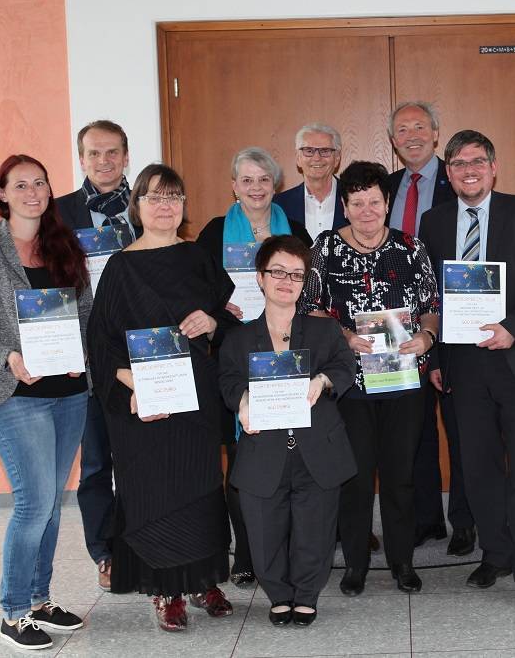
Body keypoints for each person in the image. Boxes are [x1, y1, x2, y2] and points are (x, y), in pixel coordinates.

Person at [0, 155, 90, 650]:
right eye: (21, 184)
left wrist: (80, 356)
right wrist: (6, 355)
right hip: (11, 395)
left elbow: (84, 315)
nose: (33, 192)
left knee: (51, 506)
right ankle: (12, 611)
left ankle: (39, 599)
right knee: (33, 504)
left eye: (41, 183)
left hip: (68, 394)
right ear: (2, 193)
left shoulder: (64, 245)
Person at [88, 163, 239, 631]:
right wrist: (134, 386)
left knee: (200, 489)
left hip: (196, 398)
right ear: (137, 205)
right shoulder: (120, 266)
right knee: (152, 492)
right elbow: (100, 343)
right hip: (142, 403)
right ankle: (164, 590)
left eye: (173, 196)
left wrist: (212, 323)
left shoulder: (198, 258)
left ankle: (202, 580)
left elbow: (228, 318)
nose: (164, 206)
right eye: (154, 197)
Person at [418, 130, 515, 608]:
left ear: (494, 166)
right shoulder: (433, 222)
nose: (468, 170)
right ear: (449, 172)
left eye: (477, 161)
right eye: (457, 163)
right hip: (462, 365)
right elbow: (429, 298)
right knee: (476, 467)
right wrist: (435, 358)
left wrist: (512, 328)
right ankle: (495, 553)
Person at [300, 161, 439, 597]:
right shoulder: (325, 247)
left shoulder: (411, 248)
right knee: (355, 477)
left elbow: (430, 302)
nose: (365, 211)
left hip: (402, 379)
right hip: (348, 384)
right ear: (344, 205)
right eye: (356, 203)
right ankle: (355, 565)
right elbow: (309, 306)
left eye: (373, 202)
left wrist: (426, 335)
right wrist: (342, 335)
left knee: (400, 475)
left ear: (386, 203)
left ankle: (402, 563)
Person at [219, 235, 357, 628]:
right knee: (265, 529)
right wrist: (243, 401)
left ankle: (307, 594)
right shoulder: (239, 337)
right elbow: (228, 380)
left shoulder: (324, 331)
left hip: (318, 446)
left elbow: (345, 367)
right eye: (277, 272)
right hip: (264, 447)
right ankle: (278, 594)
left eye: (296, 274)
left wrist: (324, 381)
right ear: (260, 278)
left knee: (315, 527)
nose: (286, 280)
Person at [195, 147, 311, 587]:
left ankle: (289, 551)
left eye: (264, 179)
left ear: (275, 185)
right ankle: (246, 552)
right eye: (246, 180)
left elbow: (309, 287)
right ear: (234, 185)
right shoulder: (213, 233)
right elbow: (200, 292)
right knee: (242, 463)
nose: (256, 187)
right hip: (233, 354)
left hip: (286, 354)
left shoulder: (294, 231)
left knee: (291, 459)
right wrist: (216, 309)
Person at [385, 101, 474, 556]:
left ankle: (463, 520)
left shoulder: (458, 182)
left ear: (436, 134)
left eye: (420, 126)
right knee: (411, 431)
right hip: (393, 330)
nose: (412, 134)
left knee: (461, 430)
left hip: (452, 325)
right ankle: (425, 520)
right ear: (393, 141)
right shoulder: (384, 187)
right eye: (402, 129)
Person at [57, 119, 137, 591]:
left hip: (140, 352)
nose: (103, 162)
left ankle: (142, 544)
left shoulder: (145, 204)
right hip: (84, 355)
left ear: (127, 156)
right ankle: (104, 552)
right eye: (93, 154)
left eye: (112, 153)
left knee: (141, 456)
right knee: (95, 465)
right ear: (81, 158)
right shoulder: (59, 211)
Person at [273, 123, 348, 240]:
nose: (317, 158)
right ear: (298, 158)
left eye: (325, 151)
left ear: (337, 158)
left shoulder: (354, 199)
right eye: (308, 151)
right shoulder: (279, 205)